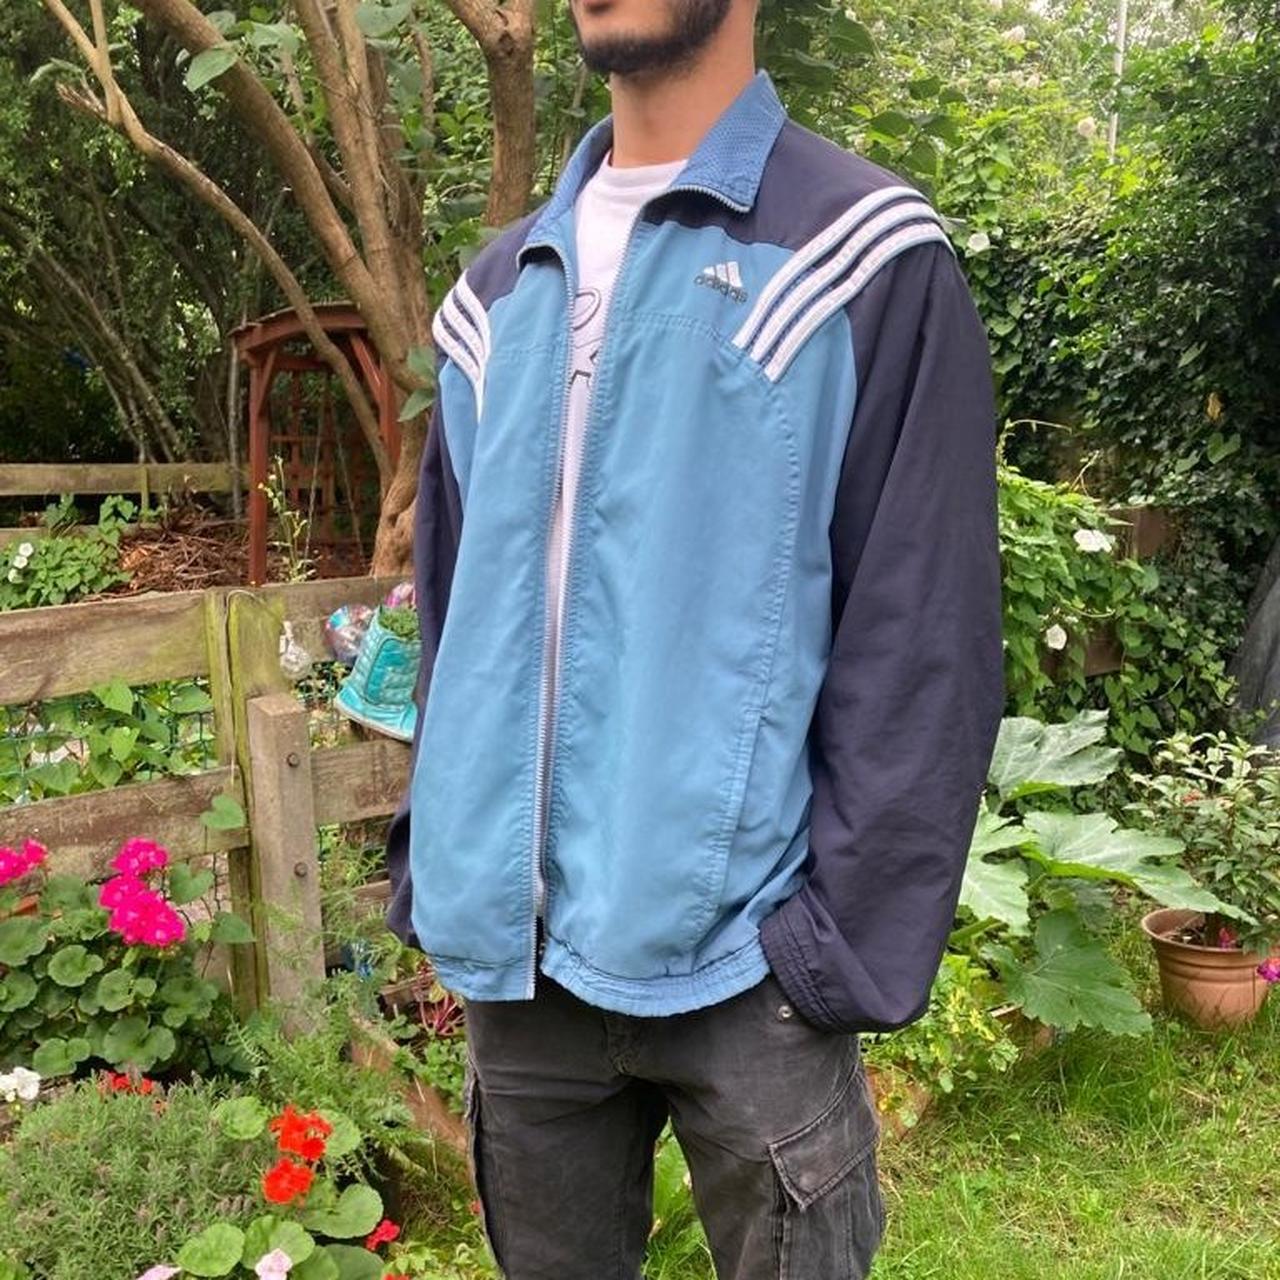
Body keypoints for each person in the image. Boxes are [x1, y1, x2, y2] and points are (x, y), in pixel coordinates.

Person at [384, 0, 1005, 1275]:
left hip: (748, 972)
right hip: (521, 978)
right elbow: (456, 627)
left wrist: (828, 951)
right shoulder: (489, 300)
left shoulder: (862, 255)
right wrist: (435, 860)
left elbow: (923, 642)